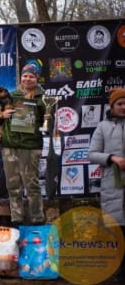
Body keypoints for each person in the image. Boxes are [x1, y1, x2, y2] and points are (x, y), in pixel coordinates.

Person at [0, 59, 48, 226]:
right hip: (10, 147)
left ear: (37, 78)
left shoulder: (43, 98)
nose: (27, 79)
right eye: (25, 76)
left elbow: (50, 125)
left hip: (31, 147)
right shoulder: (11, 96)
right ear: (21, 78)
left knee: (32, 185)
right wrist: (3, 114)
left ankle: (37, 219)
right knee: (13, 185)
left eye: (31, 76)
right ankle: (16, 220)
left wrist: (46, 119)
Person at [88, 88, 125, 282]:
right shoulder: (103, 127)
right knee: (117, 232)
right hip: (113, 185)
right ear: (112, 106)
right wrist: (112, 158)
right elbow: (92, 153)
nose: (123, 107)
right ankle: (119, 271)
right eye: (119, 104)